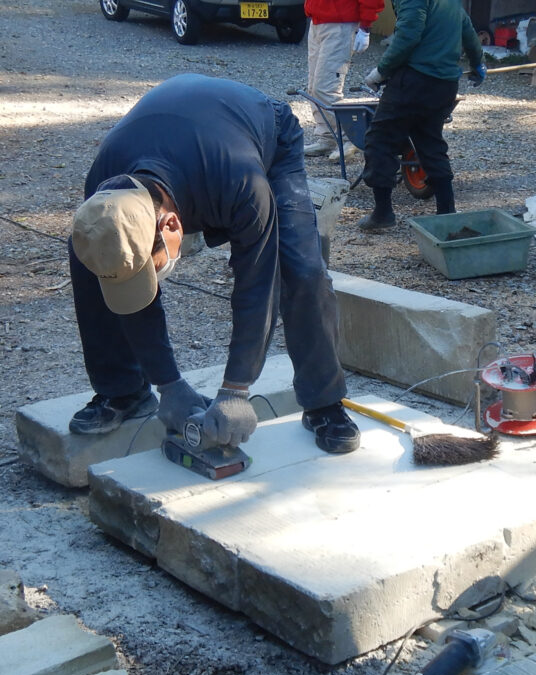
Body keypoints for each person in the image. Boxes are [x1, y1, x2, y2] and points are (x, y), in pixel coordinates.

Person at [67, 74, 360, 456]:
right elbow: (124, 269)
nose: (147, 277)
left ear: (172, 225)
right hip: (190, 138)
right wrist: (168, 385)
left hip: (263, 133)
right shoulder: (103, 198)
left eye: (148, 268)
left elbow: (258, 283)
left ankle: (324, 402)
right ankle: (123, 390)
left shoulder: (241, 183)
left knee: (301, 268)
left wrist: (236, 389)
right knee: (95, 258)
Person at [357, 0, 486, 231]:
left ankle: (382, 214)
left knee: (380, 140)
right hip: (445, 84)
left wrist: (381, 72)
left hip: (415, 80)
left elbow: (409, 34)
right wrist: (478, 63)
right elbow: (466, 29)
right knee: (430, 142)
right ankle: (446, 212)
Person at [303, 0, 384, 161]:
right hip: (319, 21)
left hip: (340, 24)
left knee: (325, 88)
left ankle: (351, 138)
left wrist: (365, 28)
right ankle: (328, 137)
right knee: (313, 88)